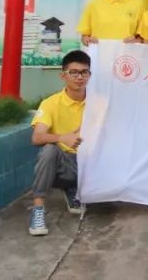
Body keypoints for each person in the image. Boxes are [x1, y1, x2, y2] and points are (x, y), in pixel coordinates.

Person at [29, 49, 90, 236]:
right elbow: (37, 137)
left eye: (84, 72)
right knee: (49, 150)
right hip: (64, 164)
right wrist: (62, 138)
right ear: (63, 76)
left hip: (91, 164)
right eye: (74, 72)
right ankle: (38, 210)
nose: (79, 77)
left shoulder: (98, 103)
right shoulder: (50, 103)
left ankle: (74, 189)